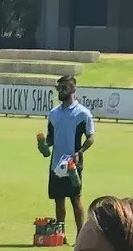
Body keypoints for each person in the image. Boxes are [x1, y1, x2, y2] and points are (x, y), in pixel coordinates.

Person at [38, 76, 93, 240]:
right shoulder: (53, 114)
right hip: (56, 163)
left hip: (72, 164)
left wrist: (80, 152)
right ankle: (60, 235)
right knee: (58, 200)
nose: (60, 92)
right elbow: (50, 138)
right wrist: (44, 145)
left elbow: (91, 138)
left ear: (73, 89)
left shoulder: (83, 114)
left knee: (75, 199)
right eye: (59, 88)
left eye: (64, 88)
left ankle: (80, 235)